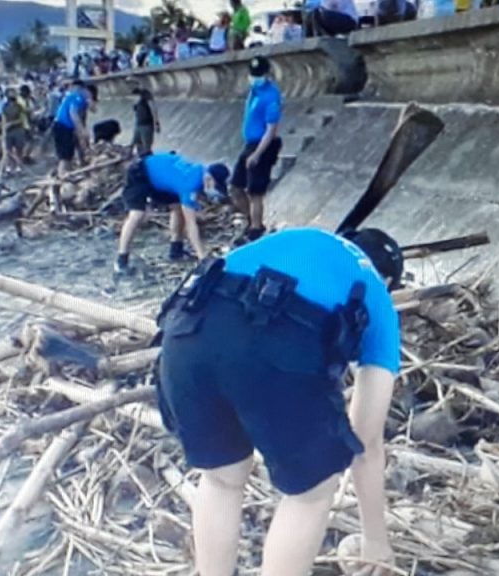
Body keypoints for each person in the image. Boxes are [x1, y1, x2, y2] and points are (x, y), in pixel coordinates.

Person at [155, 226, 403, 576]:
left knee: (222, 479)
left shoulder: (303, 237)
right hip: (276, 344)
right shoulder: (377, 294)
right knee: (312, 493)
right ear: (389, 280)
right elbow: (367, 442)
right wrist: (376, 540)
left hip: (186, 330)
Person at [114, 152, 230, 273]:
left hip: (162, 178)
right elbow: (190, 224)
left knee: (177, 208)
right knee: (137, 214)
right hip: (141, 172)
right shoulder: (191, 184)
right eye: (214, 186)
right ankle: (121, 260)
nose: (213, 189)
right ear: (209, 178)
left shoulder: (201, 170)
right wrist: (203, 256)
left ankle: (176, 250)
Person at [229, 56, 282, 244]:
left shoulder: (271, 96)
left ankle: (256, 229)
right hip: (249, 143)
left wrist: (257, 154)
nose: (254, 78)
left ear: (267, 74)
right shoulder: (254, 91)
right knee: (236, 187)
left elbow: (271, 129)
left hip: (262, 145)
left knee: (255, 192)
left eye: (258, 75)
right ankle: (251, 221)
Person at [52, 80, 93, 178]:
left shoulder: (70, 96)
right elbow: (73, 114)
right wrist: (82, 131)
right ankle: (62, 176)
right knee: (65, 156)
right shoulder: (77, 97)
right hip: (63, 127)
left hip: (62, 127)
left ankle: (67, 175)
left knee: (69, 155)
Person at [0, 87, 27, 178]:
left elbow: (22, 119)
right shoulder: (4, 107)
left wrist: (11, 123)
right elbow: (3, 119)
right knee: (8, 150)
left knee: (19, 149)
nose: (13, 95)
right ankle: (9, 168)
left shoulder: (19, 106)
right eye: (11, 93)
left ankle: (19, 168)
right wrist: (3, 131)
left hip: (18, 130)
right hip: (8, 132)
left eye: (14, 93)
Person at [131, 88, 160, 156]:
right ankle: (141, 156)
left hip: (147, 125)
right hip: (139, 125)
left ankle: (148, 157)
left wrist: (156, 123)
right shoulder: (137, 103)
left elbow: (154, 111)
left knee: (146, 146)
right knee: (136, 143)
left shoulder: (147, 101)